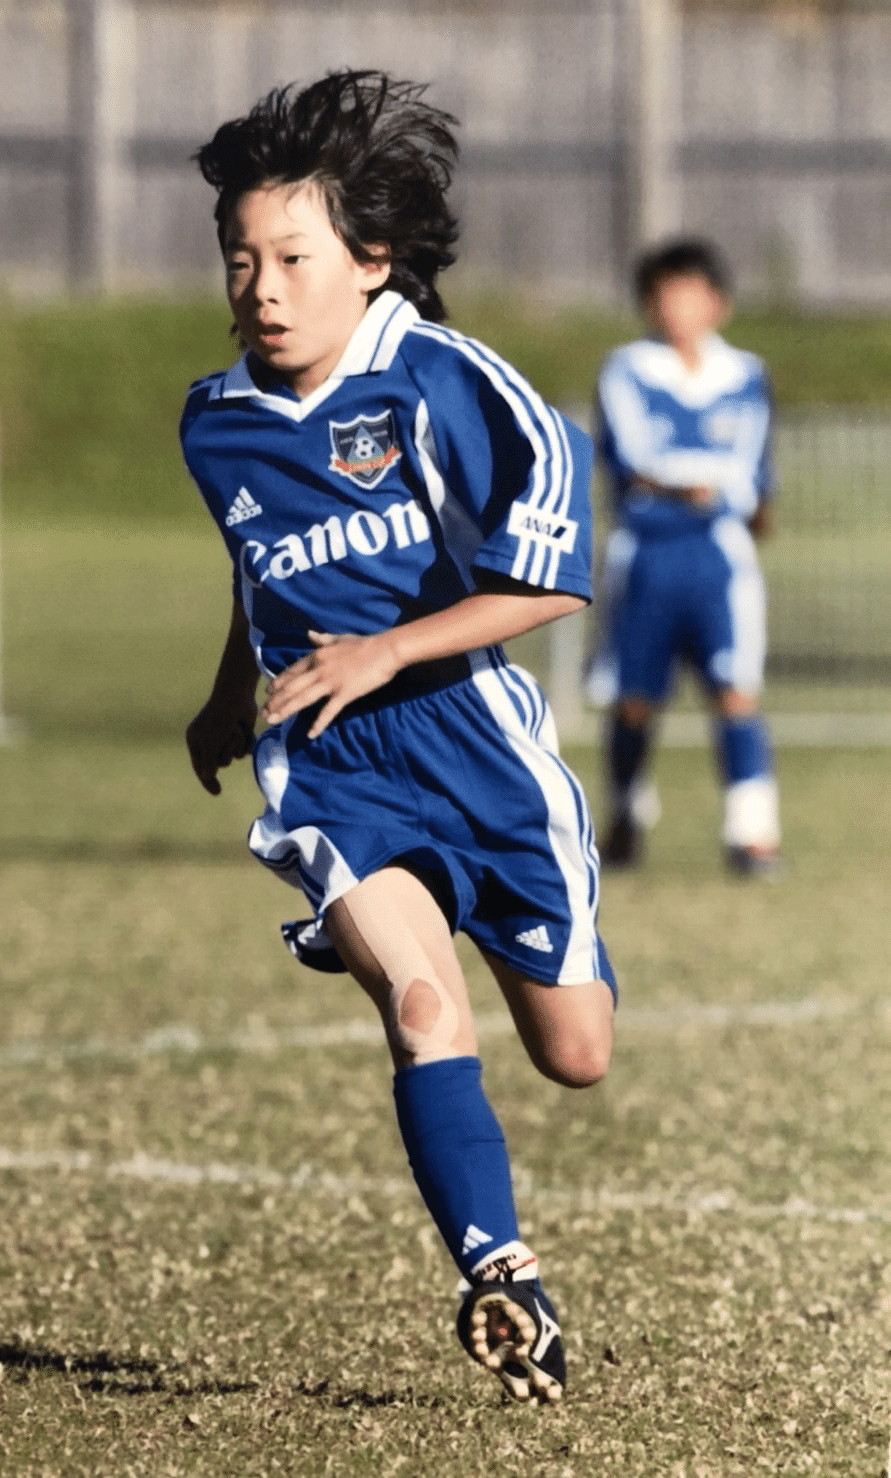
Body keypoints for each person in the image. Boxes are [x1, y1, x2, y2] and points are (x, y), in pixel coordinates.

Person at [181, 70, 615, 1405]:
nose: (261, 284)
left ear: (370, 262)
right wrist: (226, 687)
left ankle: (490, 909)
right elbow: (270, 582)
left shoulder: (439, 381)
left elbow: (553, 577)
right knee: (421, 1007)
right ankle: (501, 1272)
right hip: (332, 766)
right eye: (239, 257)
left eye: (292, 257)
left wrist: (390, 647)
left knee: (578, 1052)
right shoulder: (217, 421)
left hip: (474, 745)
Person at [589, 236, 781, 874]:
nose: (679, 308)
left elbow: (751, 475)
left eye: (693, 294)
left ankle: (752, 834)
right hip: (646, 555)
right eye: (666, 295)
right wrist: (699, 482)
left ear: (718, 303)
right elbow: (637, 460)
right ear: (649, 304)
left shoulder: (745, 375)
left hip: (719, 559)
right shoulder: (627, 370)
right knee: (636, 697)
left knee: (735, 690)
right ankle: (626, 813)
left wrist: (716, 488)